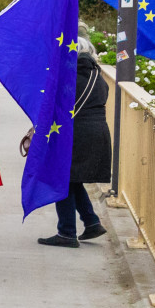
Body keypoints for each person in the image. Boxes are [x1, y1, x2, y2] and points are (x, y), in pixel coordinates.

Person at [41, 37, 110, 248]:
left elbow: (53, 105)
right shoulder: (97, 76)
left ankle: (67, 233)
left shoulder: (70, 78)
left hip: (76, 134)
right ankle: (91, 222)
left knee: (61, 178)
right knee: (73, 178)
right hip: (97, 133)